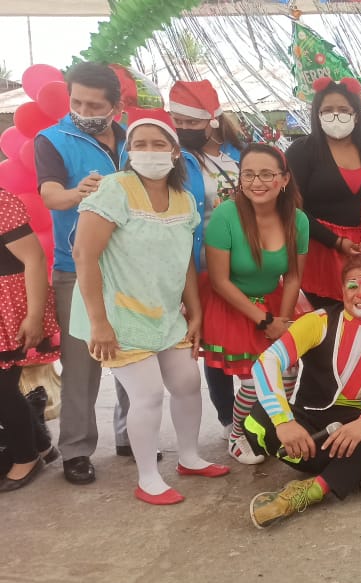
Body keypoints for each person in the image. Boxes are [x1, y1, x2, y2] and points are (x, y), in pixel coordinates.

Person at [71, 110, 229, 505]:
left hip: (165, 312)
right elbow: (84, 254)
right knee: (147, 395)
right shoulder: (115, 189)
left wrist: (195, 312)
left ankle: (189, 457)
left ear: (174, 152)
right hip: (119, 313)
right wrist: (99, 323)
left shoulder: (183, 199)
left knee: (187, 383)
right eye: (139, 144)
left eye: (159, 144)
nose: (149, 151)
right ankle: (147, 477)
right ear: (128, 152)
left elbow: (184, 261)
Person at [243, 254, 361, 529]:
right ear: (342, 290)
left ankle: (311, 490)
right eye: (352, 285)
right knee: (259, 415)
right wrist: (284, 421)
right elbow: (268, 361)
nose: (360, 293)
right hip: (313, 429)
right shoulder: (318, 320)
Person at [34, 61, 132, 484]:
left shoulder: (134, 139)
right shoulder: (52, 139)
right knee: (81, 365)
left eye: (95, 105)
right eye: (77, 102)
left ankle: (132, 435)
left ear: (115, 106)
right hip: (75, 268)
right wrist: (78, 192)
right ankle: (76, 450)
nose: (84, 111)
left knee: (134, 353)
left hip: (131, 267)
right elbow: (51, 195)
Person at [200, 143, 309, 465]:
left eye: (266, 174)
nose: (256, 182)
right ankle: (237, 435)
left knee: (287, 372)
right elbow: (220, 281)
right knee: (253, 378)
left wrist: (283, 323)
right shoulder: (226, 215)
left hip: (275, 303)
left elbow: (293, 277)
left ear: (284, 179)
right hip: (232, 305)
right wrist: (264, 320)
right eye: (248, 174)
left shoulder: (298, 220)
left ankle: (268, 427)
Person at [169, 80, 246, 438]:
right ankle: (228, 418)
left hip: (246, 261)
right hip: (200, 264)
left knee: (247, 336)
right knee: (216, 343)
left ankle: (255, 411)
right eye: (178, 121)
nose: (183, 128)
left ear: (212, 120)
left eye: (191, 122)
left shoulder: (239, 153)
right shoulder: (178, 159)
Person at [286, 77, 361, 309]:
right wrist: (335, 241)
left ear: (356, 115)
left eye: (343, 110)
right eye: (327, 110)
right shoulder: (302, 151)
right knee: (328, 322)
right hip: (320, 254)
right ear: (317, 114)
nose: (335, 116)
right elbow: (291, 207)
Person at [0, 190, 61, 492]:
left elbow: (34, 258)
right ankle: (42, 445)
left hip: (9, 308)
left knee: (2, 389)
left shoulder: (2, 202)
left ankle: (26, 457)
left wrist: (34, 316)